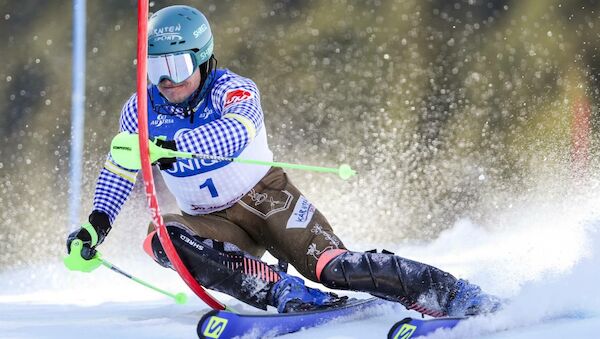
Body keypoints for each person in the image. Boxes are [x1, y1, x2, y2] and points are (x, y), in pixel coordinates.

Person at [66, 5, 500, 316]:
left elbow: (238, 130)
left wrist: (172, 144)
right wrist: (96, 225)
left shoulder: (232, 88)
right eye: (153, 69)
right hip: (213, 223)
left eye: (176, 66)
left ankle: (450, 292)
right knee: (162, 238)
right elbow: (121, 166)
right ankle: (280, 292)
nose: (165, 81)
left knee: (333, 267)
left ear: (200, 59)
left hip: (269, 201)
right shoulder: (139, 110)